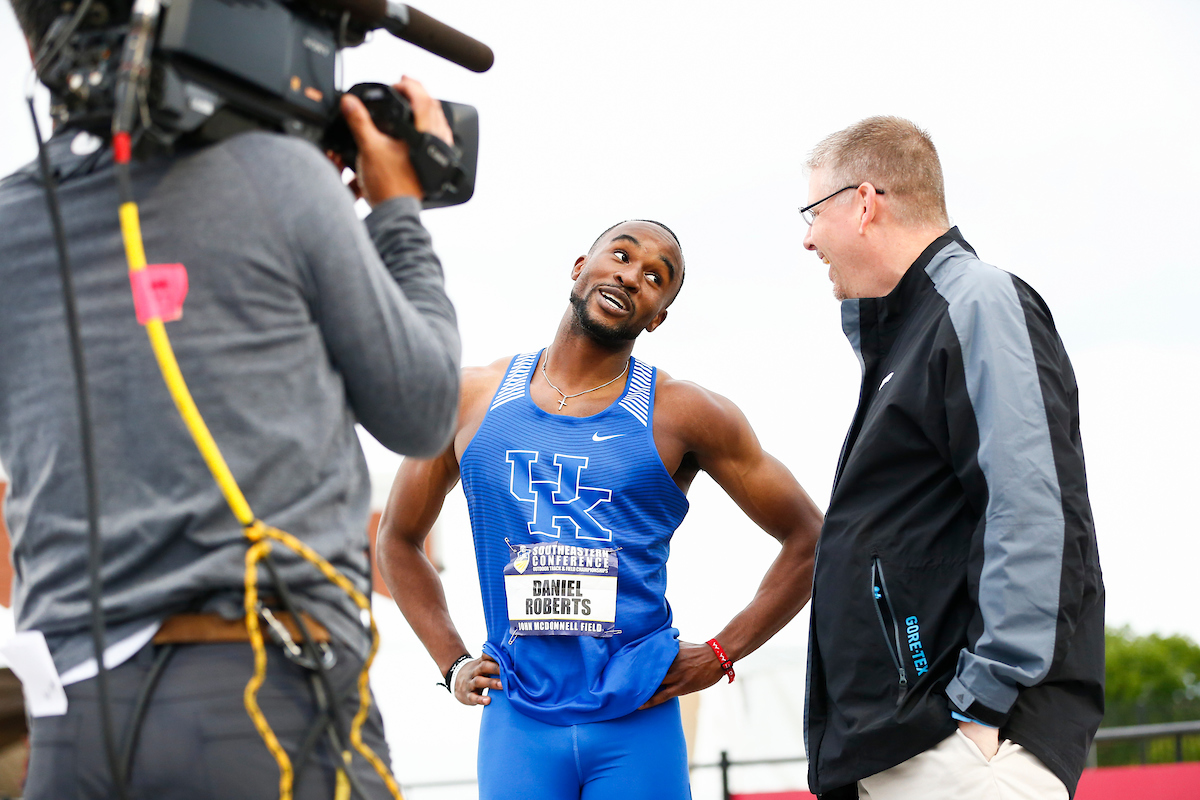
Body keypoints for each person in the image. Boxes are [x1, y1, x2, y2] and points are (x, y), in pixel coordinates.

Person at [0, 0, 461, 795]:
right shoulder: (277, 177)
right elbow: (420, 409)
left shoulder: (9, 219)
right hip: (256, 698)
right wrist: (397, 213)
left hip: (70, 721)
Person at [376, 219, 824, 800]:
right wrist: (452, 661)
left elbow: (810, 537)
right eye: (621, 254)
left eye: (656, 277)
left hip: (638, 714)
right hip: (519, 716)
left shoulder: (684, 413)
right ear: (579, 268)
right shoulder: (471, 397)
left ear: (657, 316)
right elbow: (397, 538)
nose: (632, 275)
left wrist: (720, 655)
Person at [798, 116, 1104, 800]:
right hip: (912, 745)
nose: (807, 237)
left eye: (814, 212)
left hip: (968, 748)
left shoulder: (979, 301)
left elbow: (1032, 510)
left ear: (865, 202)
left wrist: (982, 704)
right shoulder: (909, 335)